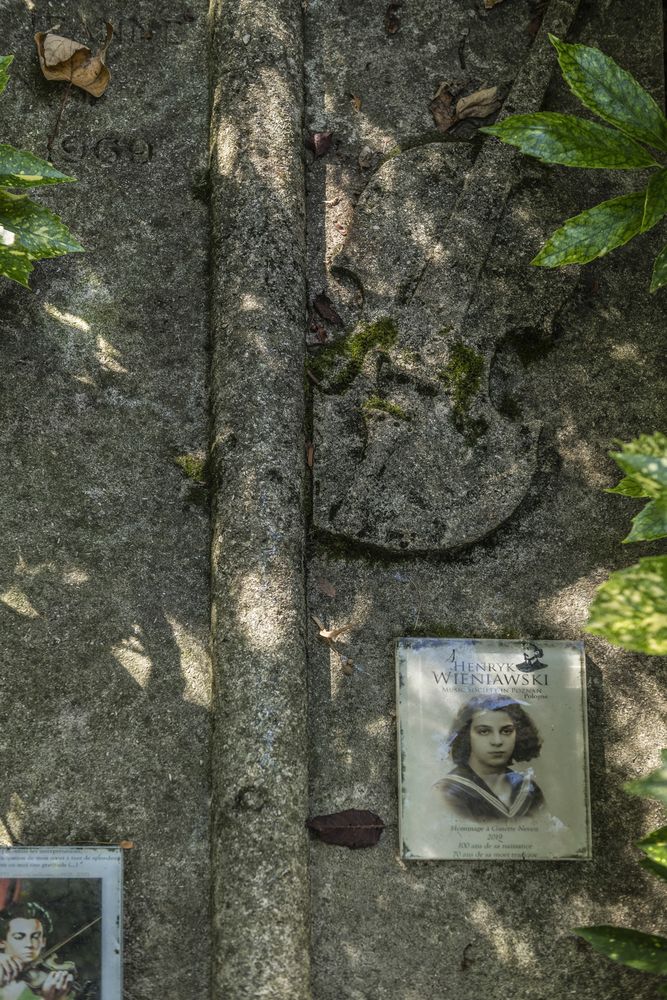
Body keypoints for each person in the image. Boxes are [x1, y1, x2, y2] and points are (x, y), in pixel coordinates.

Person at [434, 695, 545, 821]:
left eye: (506, 731)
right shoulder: (449, 793)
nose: (497, 741)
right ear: (466, 736)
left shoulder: (529, 791)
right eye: (484, 732)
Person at [0, 903, 75, 1000]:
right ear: (2, 942)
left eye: (35, 937)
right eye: (19, 937)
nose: (29, 944)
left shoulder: (58, 986)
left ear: (43, 942)